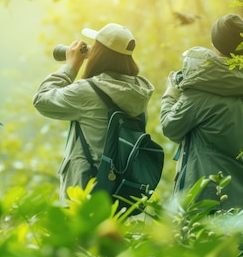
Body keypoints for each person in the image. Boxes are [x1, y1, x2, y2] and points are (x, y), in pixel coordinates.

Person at [33, 23, 155, 202]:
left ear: (98, 54)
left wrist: (71, 67)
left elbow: (41, 100)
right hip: (120, 189)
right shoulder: (138, 91)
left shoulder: (87, 91)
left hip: (85, 189)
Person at [160, 13, 243, 211]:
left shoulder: (200, 90)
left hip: (203, 194)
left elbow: (171, 127)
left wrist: (170, 94)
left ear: (215, 43)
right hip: (239, 192)